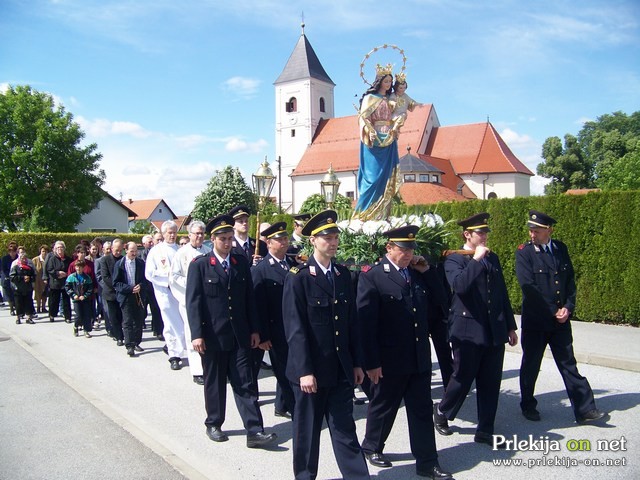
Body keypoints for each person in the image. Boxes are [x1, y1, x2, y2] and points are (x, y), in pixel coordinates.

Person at [357, 225, 453, 479]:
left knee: (421, 409)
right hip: (389, 359)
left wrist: (429, 273)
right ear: (389, 248)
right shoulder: (373, 276)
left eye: (411, 248)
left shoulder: (418, 274)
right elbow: (366, 324)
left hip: (418, 356)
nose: (409, 253)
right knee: (384, 405)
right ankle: (372, 446)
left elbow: (442, 302)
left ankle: (427, 463)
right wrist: (372, 362)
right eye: (403, 248)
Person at [282, 210, 369, 480]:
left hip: (339, 368)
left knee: (344, 427)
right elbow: (295, 329)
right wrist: (304, 370)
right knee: (307, 431)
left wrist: (356, 363)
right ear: (313, 241)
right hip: (311, 371)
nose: (333, 243)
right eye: (327, 238)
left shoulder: (343, 275)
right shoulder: (298, 277)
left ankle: (357, 476)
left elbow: (351, 323)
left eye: (335, 237)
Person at [186, 214, 277, 448]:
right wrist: (197, 334)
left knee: (245, 382)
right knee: (214, 382)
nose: (227, 243)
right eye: (223, 239)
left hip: (240, 335)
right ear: (213, 239)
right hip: (213, 336)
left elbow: (249, 300)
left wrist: (255, 329)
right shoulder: (200, 265)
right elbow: (193, 302)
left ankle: (255, 430)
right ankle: (214, 423)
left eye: (230, 239)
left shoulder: (239, 263)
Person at [433, 213, 518, 447]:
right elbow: (459, 286)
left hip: (493, 329)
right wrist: (476, 261)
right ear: (467, 235)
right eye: (479, 233)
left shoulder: (493, 258)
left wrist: (510, 326)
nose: (483, 236)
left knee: (491, 381)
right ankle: (442, 410)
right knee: (462, 377)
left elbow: (501, 294)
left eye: (485, 232)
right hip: (467, 329)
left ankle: (485, 430)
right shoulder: (454, 259)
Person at [516, 210, 607, 424]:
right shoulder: (524, 253)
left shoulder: (560, 249)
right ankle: (528, 404)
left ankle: (585, 410)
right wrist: (552, 311)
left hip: (561, 321)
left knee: (568, 364)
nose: (532, 234)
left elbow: (569, 283)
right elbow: (528, 287)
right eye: (531, 230)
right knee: (531, 364)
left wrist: (568, 307)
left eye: (536, 230)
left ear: (549, 230)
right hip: (537, 321)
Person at [251, 222, 296, 419]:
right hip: (275, 329)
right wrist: (263, 335)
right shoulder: (261, 270)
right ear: (268, 243)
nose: (284, 243)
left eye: (285, 238)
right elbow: (257, 306)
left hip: (293, 328)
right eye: (280, 240)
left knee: (290, 367)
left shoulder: (293, 265)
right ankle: (296, 409)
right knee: (286, 371)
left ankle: (281, 405)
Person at [353, 67, 402, 221]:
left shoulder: (392, 99)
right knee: (373, 178)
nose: (388, 84)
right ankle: (363, 216)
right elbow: (363, 118)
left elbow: (400, 114)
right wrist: (370, 131)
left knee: (387, 177)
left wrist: (397, 125)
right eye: (386, 81)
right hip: (373, 142)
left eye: (390, 82)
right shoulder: (370, 98)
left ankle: (382, 215)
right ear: (379, 81)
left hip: (389, 140)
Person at [169, 220, 211, 384]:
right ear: (189, 235)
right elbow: (174, 277)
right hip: (189, 300)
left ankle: (209, 366)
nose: (199, 236)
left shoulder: (208, 252)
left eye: (202, 233)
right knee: (192, 334)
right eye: (196, 233)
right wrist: (192, 284)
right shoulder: (181, 253)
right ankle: (197, 370)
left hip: (207, 301)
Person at [146, 220, 185, 371]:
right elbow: (149, 273)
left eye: (175, 232)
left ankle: (172, 347)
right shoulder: (156, 251)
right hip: (164, 292)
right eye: (169, 232)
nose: (172, 235)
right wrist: (167, 276)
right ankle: (174, 355)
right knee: (170, 323)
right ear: (163, 234)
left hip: (180, 292)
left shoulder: (180, 250)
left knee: (181, 324)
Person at [113, 242, 147, 357]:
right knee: (127, 321)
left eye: (136, 251)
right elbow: (116, 283)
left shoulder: (141, 263)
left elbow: (145, 279)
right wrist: (130, 288)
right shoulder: (119, 264)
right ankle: (129, 346)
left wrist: (140, 286)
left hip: (138, 295)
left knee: (138, 320)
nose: (134, 253)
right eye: (132, 251)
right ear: (126, 250)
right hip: (126, 296)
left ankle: (137, 342)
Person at [97, 239, 124, 344]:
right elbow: (105, 277)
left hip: (122, 292)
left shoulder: (123, 259)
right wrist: (116, 286)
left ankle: (121, 333)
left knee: (121, 316)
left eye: (120, 250)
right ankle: (119, 337)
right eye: (116, 250)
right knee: (113, 316)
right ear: (112, 248)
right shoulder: (105, 260)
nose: (118, 252)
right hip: (110, 292)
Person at [139, 234, 164, 340]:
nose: (160, 241)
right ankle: (141, 325)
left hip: (157, 286)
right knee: (143, 309)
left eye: (161, 239)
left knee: (156, 310)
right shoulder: (143, 254)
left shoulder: (162, 253)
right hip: (145, 286)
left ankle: (158, 330)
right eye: (158, 239)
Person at [44, 241, 73, 323]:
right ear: (55, 250)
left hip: (65, 282)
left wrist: (66, 274)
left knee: (66, 301)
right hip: (55, 283)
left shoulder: (68, 259)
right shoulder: (52, 259)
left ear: (64, 249)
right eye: (57, 248)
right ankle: (52, 315)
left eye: (61, 247)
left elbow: (71, 269)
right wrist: (57, 273)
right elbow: (49, 269)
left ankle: (68, 317)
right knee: (54, 301)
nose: (59, 249)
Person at [65, 259, 94, 337]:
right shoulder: (71, 277)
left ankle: (86, 330)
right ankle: (76, 326)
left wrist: (84, 296)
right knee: (78, 315)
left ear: (83, 268)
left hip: (85, 299)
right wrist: (73, 295)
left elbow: (90, 289)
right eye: (77, 267)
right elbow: (67, 288)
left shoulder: (87, 278)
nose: (78, 269)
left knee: (86, 314)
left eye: (80, 267)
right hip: (76, 300)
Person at [10, 247, 36, 325]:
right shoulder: (15, 268)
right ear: (20, 259)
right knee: (18, 303)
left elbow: (34, 277)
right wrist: (22, 278)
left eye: (25, 259)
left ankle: (29, 317)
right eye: (22, 259)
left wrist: (29, 278)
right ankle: (18, 317)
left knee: (28, 303)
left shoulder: (30, 268)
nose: (24, 260)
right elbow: (12, 277)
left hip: (28, 289)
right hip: (18, 289)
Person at [1, 241, 19, 316]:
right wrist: (9, 276)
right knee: (9, 295)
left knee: (16, 294)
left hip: (16, 279)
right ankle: (12, 308)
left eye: (14, 251)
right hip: (7, 279)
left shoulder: (18, 258)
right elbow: (4, 269)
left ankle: (17, 307)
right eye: (10, 251)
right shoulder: (5, 259)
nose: (12, 253)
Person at [32, 245, 50, 314]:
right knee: (38, 294)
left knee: (45, 294)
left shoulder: (49, 259)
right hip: (38, 280)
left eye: (45, 251)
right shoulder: (35, 260)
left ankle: (43, 307)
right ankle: (38, 307)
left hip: (46, 280)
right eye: (43, 251)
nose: (44, 253)